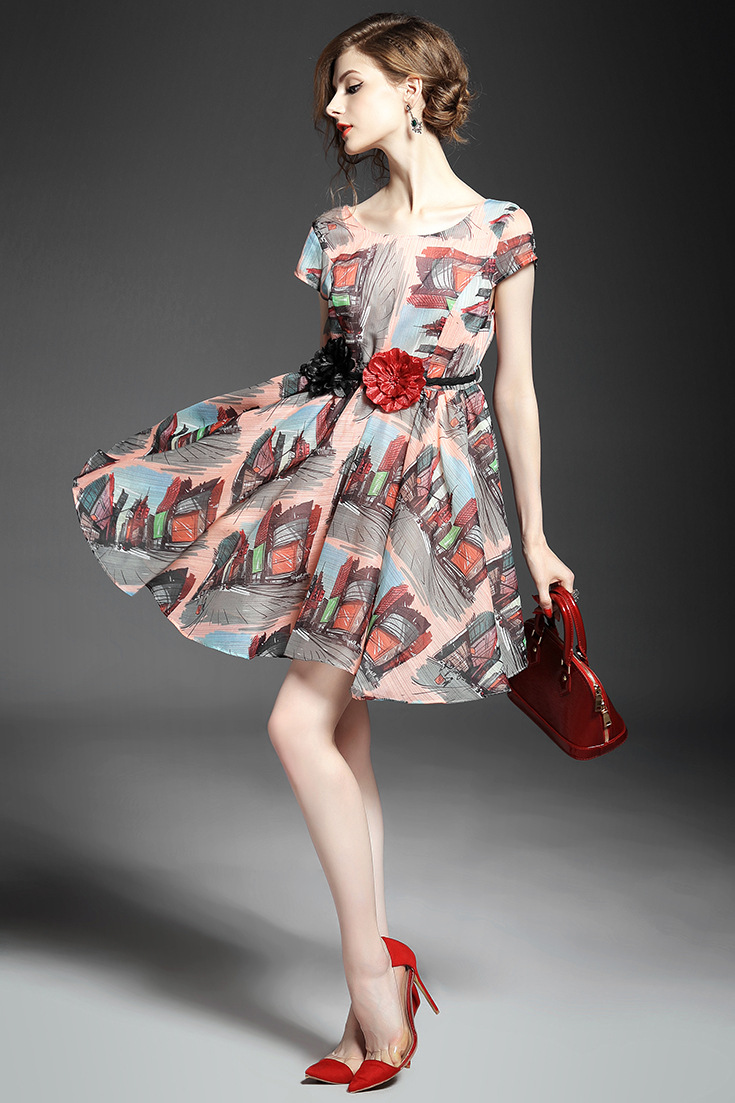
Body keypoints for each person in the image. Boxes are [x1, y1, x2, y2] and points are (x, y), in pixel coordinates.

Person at [70, 12, 575, 1093]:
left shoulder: (500, 227)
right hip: (341, 492)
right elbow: (327, 380)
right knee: (333, 725)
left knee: (299, 724)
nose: (331, 107)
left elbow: (516, 391)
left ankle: (372, 983)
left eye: (352, 85)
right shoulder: (338, 232)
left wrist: (535, 537)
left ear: (411, 90)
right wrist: (232, 463)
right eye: (332, 89)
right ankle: (374, 980)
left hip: (430, 496)